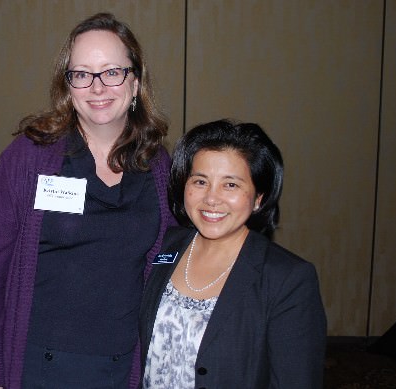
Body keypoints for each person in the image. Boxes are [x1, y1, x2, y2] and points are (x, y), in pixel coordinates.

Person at [0, 12, 176, 389]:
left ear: (135, 80)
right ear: (68, 85)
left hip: (125, 367)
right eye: (82, 74)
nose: (97, 87)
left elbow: (173, 262)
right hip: (38, 368)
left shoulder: (158, 164)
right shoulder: (30, 156)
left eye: (112, 71)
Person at [140, 119, 327, 388]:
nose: (211, 199)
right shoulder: (163, 246)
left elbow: (297, 380)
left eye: (231, 185)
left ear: (259, 196)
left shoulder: (287, 278)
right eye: (200, 181)